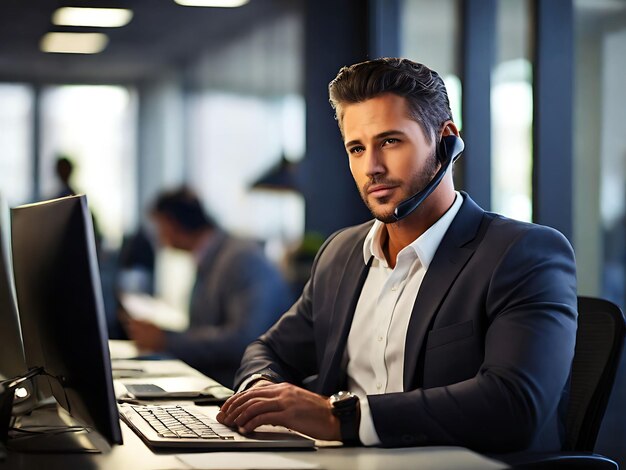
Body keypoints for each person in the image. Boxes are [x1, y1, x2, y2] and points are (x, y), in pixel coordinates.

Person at [216, 58, 578, 453]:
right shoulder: (341, 253)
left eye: (390, 141)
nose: (371, 167)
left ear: (445, 140)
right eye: (357, 148)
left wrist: (341, 418)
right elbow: (268, 350)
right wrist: (260, 391)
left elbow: (514, 405)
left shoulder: (523, 254)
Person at [125, 187, 293, 387]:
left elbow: (244, 340)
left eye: (158, 226)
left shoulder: (240, 259)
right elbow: (206, 328)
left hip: (241, 389)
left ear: (170, 223)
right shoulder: (214, 256)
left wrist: (167, 341)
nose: (158, 236)